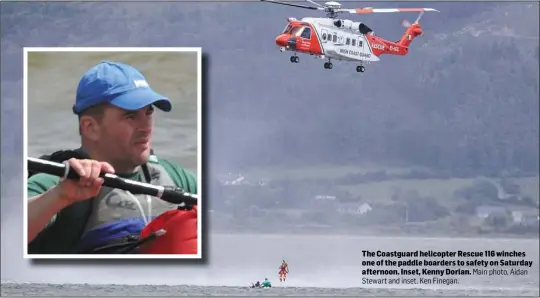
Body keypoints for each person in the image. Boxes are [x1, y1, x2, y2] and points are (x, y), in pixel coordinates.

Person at [27, 60, 197, 254]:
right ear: (91, 127)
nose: (146, 127)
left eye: (149, 112)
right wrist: (58, 196)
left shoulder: (177, 179)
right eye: (131, 116)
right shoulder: (55, 181)